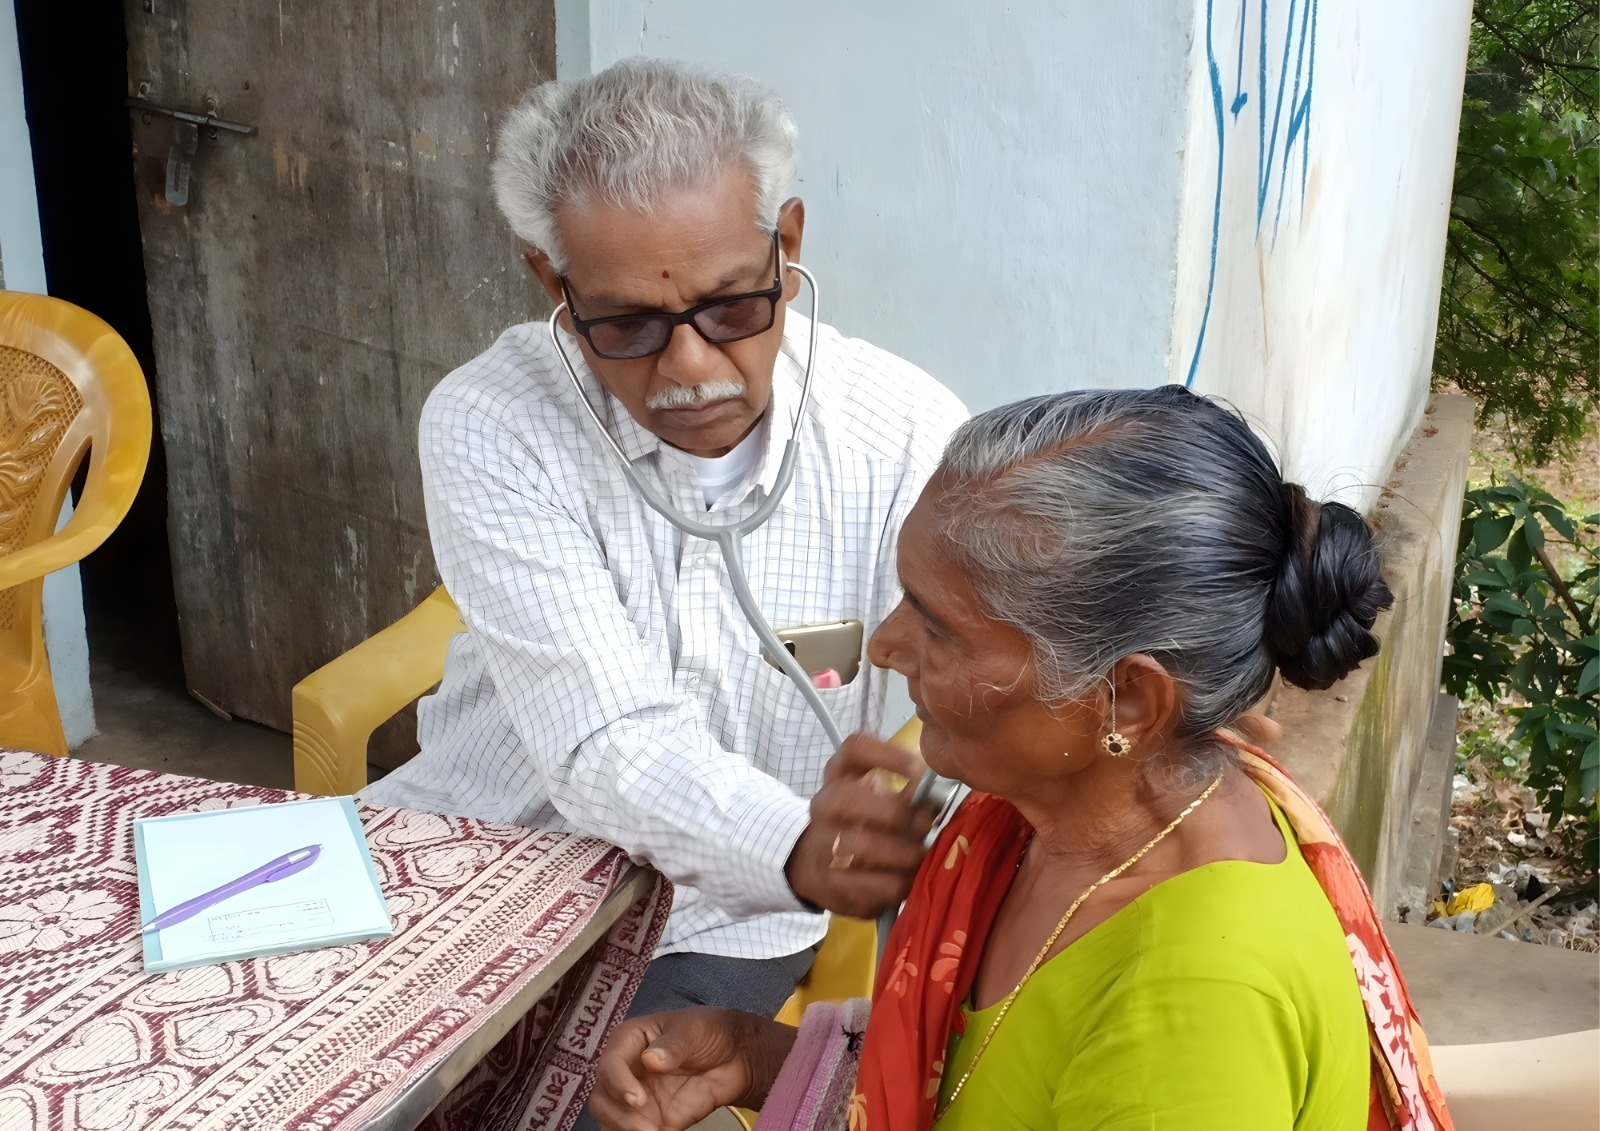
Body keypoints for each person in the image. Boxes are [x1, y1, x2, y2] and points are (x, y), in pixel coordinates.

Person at [590, 387, 1456, 1131]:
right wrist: (748, 1052)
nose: (887, 645)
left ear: (1127, 700)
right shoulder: (1030, 827)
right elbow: (972, 1084)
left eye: (938, 625)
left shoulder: (1196, 1002)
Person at [360, 57, 967, 1027]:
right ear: (552, 284)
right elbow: (605, 737)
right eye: (628, 326)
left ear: (788, 243)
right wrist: (797, 843)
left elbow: (1011, 634)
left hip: (721, 918)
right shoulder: (489, 419)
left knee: (606, 1099)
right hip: (477, 848)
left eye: (731, 307)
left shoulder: (904, 434)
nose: (690, 368)